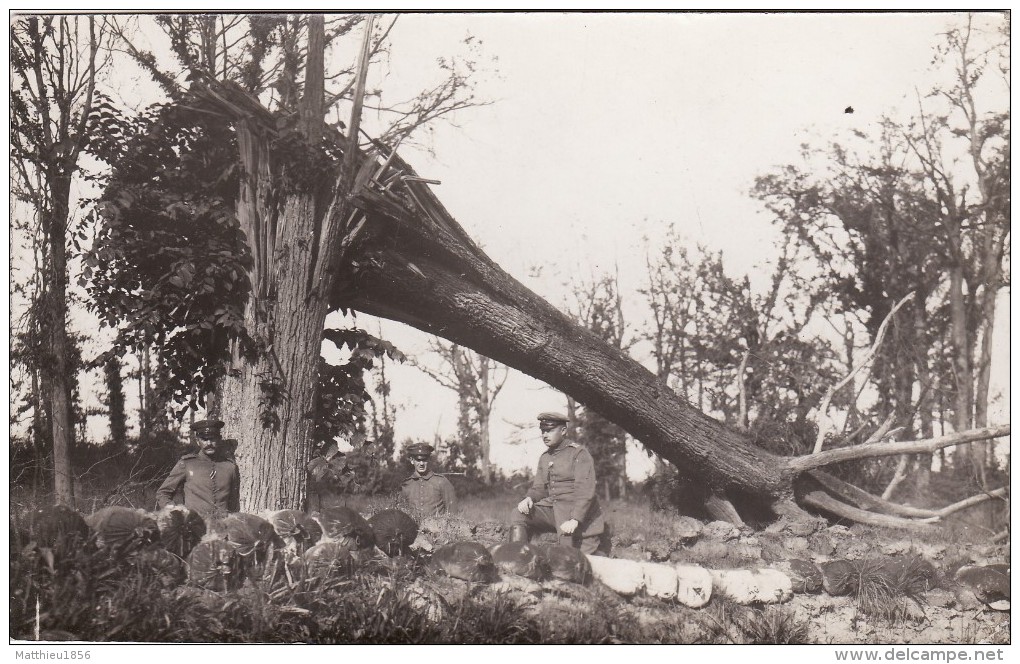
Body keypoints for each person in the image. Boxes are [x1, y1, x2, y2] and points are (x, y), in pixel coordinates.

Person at [510, 411, 606, 554]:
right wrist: (528, 498)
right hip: (554, 509)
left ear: (563, 431)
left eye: (549, 431)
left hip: (578, 513)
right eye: (543, 431)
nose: (545, 435)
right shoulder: (545, 457)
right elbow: (539, 488)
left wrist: (575, 519)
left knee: (568, 557)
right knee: (518, 513)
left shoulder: (579, 453)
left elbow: (585, 492)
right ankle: (517, 558)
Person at [156, 419, 240, 517]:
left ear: (219, 439)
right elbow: (163, 493)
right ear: (197, 441)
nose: (209, 443)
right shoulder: (187, 464)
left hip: (223, 526)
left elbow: (233, 502)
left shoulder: (229, 467)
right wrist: (175, 511)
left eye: (213, 439)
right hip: (196, 526)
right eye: (204, 439)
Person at [400, 443, 457, 515]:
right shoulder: (406, 485)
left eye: (424, 460)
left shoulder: (442, 482)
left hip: (437, 526)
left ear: (429, 459)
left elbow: (452, 514)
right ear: (411, 460)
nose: (421, 464)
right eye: (418, 460)